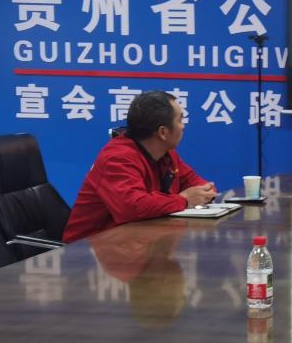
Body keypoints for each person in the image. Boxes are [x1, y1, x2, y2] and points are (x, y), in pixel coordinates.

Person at [63, 91, 216, 242]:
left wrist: (204, 194)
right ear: (163, 132)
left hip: (137, 243)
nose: (183, 127)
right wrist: (184, 200)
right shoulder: (117, 159)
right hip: (88, 251)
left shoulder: (167, 154)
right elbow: (132, 207)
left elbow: (200, 185)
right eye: (180, 120)